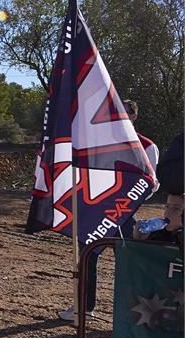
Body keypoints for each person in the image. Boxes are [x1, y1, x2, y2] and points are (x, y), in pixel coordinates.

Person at [59, 99, 163, 323]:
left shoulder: (147, 147)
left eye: (123, 113)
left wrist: (127, 201)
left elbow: (152, 185)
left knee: (129, 263)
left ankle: (137, 309)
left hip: (124, 214)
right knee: (86, 260)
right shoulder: (98, 142)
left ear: (133, 117)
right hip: (96, 212)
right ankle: (84, 307)